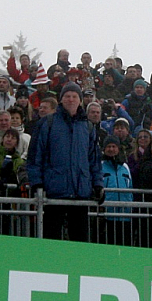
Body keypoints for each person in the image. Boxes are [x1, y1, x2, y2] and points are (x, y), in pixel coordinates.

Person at [26, 82, 104, 242]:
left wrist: (98, 183)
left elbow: (94, 160)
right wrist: (37, 183)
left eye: (74, 96)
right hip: (54, 190)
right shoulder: (47, 123)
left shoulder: (88, 127)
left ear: (80, 100)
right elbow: (35, 156)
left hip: (80, 191)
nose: (71, 99)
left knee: (80, 240)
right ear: (61, 100)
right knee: (51, 238)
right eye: (67, 96)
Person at [99, 136, 134, 246]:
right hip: (107, 214)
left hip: (125, 215)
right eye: (108, 146)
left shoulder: (125, 167)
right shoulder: (100, 166)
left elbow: (130, 187)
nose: (111, 149)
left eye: (114, 146)